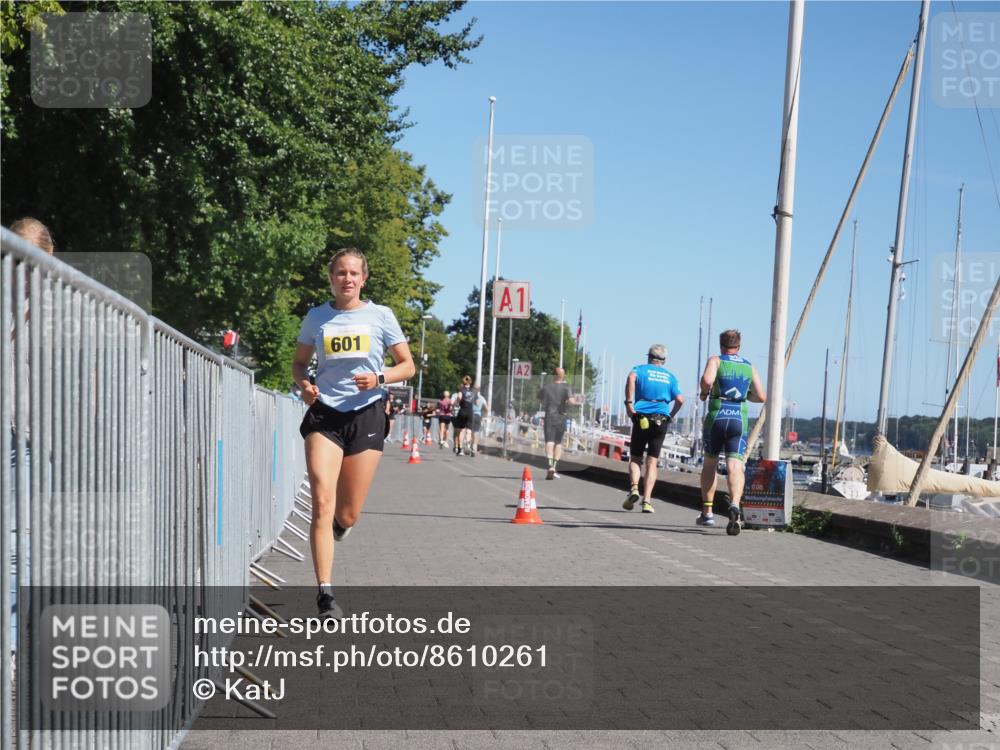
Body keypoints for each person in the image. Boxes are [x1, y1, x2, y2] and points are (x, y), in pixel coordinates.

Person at [291, 248, 415, 617]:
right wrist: (304, 385)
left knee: (347, 514)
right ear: (331, 278)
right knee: (322, 502)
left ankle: (339, 526)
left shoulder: (381, 316)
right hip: (325, 415)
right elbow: (299, 364)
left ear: (364, 278)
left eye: (353, 273)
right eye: (340, 273)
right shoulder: (317, 317)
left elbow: (407, 366)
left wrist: (379, 378)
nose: (347, 279)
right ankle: (325, 595)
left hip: (366, 414)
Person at [697, 329, 765, 535]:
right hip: (738, 418)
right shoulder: (749, 366)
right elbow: (761, 396)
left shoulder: (716, 360)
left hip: (717, 416)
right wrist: (744, 396)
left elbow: (707, 381)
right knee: (735, 465)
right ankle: (734, 504)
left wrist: (704, 393)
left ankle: (707, 513)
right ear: (739, 346)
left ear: (721, 345)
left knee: (710, 462)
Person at [623, 345, 684, 513]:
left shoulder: (640, 370)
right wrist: (671, 415)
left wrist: (629, 403)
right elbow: (680, 399)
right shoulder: (670, 377)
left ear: (649, 357)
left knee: (635, 458)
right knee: (652, 462)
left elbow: (631, 378)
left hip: (641, 417)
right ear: (664, 360)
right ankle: (647, 501)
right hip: (661, 419)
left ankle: (634, 487)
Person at [538, 367, 580, 479]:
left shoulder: (546, 387)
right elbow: (571, 402)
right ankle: (554, 466)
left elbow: (541, 401)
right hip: (561, 417)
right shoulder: (567, 387)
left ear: (554, 375)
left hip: (549, 417)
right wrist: (572, 400)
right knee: (558, 442)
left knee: (549, 442)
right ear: (563, 376)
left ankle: (550, 465)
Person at [451, 375, 476, 455]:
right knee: (469, 430)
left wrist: (454, 404)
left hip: (463, 411)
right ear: (470, 382)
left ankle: (460, 448)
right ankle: (468, 444)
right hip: (470, 412)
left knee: (461, 430)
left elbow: (459, 398)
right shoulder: (473, 391)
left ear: (463, 381)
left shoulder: (461, 390)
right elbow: (476, 401)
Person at [468, 386, 488, 456]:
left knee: (469, 431)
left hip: (471, 415)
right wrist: (484, 416)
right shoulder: (482, 398)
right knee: (476, 432)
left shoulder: (471, 397)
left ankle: (468, 446)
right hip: (478, 416)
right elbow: (487, 409)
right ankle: (474, 448)